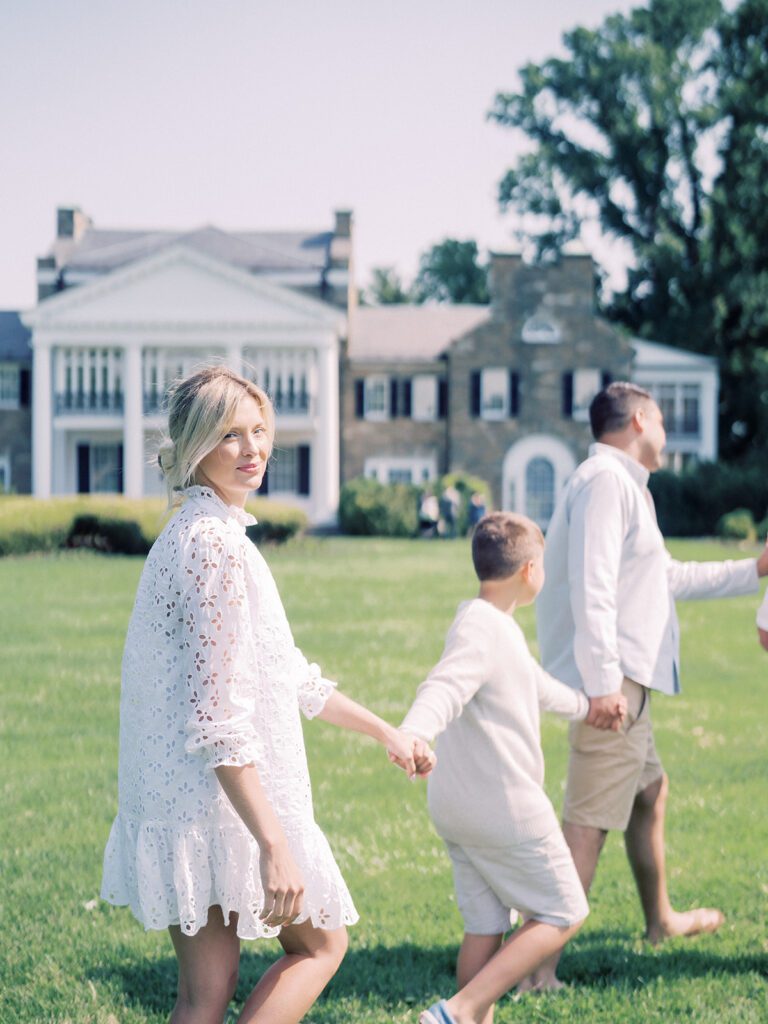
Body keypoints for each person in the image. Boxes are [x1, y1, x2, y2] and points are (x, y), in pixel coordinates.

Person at [101, 366, 433, 1024]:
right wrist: (274, 844)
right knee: (320, 946)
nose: (253, 449)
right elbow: (217, 721)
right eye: (231, 435)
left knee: (204, 995)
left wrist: (386, 732)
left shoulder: (191, 534)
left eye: (259, 431)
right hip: (213, 807)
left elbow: (287, 675)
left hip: (189, 801)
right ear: (197, 444)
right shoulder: (214, 547)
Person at [532, 381, 768, 990]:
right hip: (614, 691)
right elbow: (594, 590)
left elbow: (664, 578)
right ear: (640, 419)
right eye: (661, 421)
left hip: (626, 686)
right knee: (586, 825)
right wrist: (605, 686)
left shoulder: (622, 487)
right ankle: (536, 969)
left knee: (649, 792)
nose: (666, 433)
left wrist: (754, 569)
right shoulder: (608, 485)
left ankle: (660, 919)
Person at [399, 512, 626, 1024]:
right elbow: (443, 686)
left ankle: (466, 1017)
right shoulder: (483, 631)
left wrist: (590, 708)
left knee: (485, 925)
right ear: (529, 572)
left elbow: (536, 685)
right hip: (503, 809)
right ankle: (458, 1010)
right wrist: (414, 731)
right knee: (565, 909)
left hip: (459, 808)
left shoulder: (487, 623)